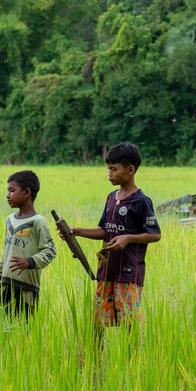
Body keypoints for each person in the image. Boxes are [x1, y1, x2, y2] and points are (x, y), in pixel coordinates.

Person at [62, 142, 161, 347]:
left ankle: (134, 366)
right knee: (97, 324)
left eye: (113, 169)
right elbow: (104, 231)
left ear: (130, 170)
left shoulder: (141, 201)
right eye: (108, 169)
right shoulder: (111, 198)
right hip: (106, 272)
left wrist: (128, 238)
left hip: (128, 275)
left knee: (130, 325)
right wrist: (77, 231)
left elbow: (155, 234)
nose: (109, 173)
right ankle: (94, 365)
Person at [0, 170, 57, 320]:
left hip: (26, 288)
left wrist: (29, 262)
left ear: (26, 193)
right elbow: (7, 252)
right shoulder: (10, 219)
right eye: (8, 191)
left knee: (25, 332)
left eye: (12, 190)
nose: (7, 195)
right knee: (8, 331)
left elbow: (50, 250)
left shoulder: (38, 221)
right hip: (6, 285)